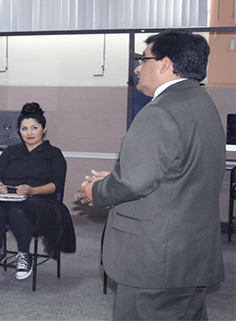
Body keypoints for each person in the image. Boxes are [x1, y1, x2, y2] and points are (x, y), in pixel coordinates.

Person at [76, 30, 224, 320]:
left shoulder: (160, 110)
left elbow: (135, 181)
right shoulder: (202, 105)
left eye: (143, 60)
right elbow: (178, 172)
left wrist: (98, 190)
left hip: (155, 261)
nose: (137, 68)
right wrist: (120, 175)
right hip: (191, 255)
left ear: (165, 64)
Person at [0, 103, 70, 280]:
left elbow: (57, 185)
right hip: (9, 198)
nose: (29, 133)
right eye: (24, 129)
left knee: (20, 210)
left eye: (34, 128)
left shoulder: (54, 153)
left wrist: (33, 190)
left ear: (44, 129)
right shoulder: (10, 152)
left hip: (42, 201)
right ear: (19, 131)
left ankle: (24, 254)